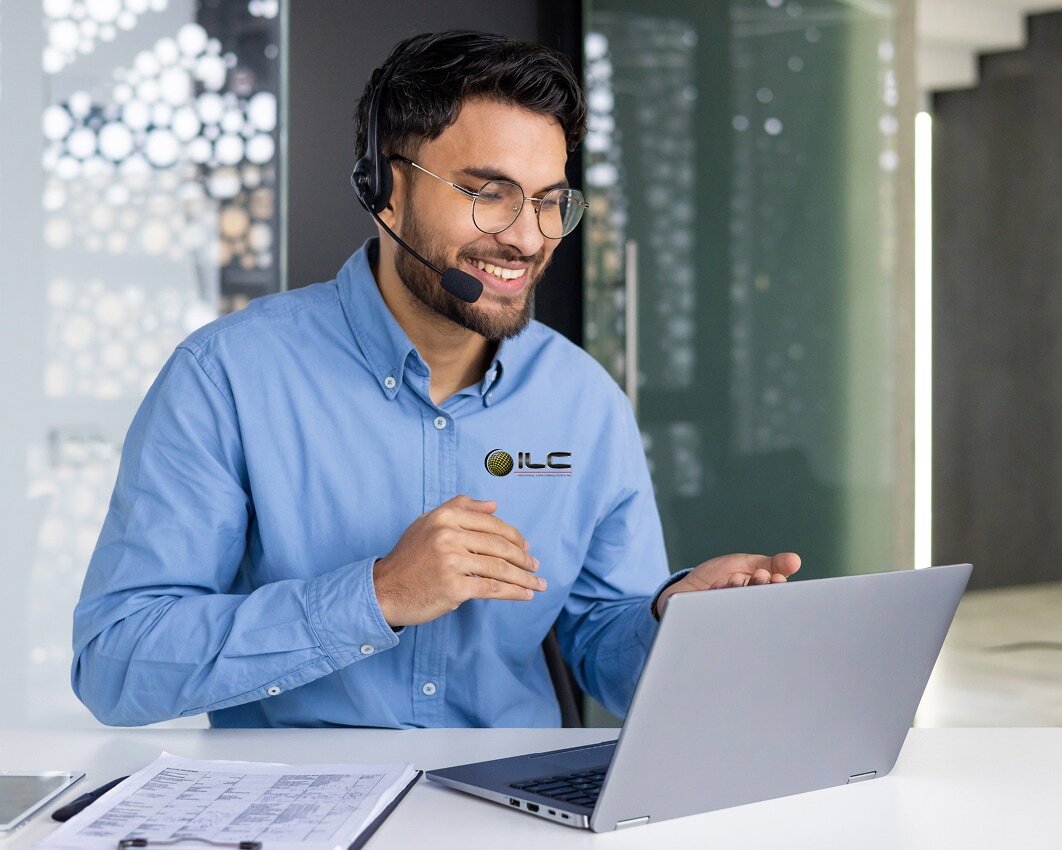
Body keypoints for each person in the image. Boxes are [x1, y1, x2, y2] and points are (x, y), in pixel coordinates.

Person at [72, 30, 799, 728]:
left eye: (549, 201)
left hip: (516, 805)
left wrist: (672, 622)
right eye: (489, 193)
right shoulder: (227, 377)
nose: (526, 236)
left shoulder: (583, 402)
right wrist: (378, 594)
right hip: (302, 806)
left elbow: (604, 654)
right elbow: (117, 660)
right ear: (385, 187)